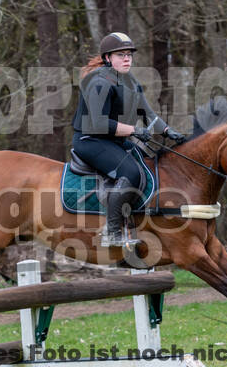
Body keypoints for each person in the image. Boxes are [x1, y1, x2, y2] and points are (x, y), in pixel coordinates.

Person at [71, 32, 185, 247]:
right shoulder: (98, 82)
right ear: (107, 58)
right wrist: (134, 130)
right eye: (121, 55)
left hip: (113, 140)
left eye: (129, 55)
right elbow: (98, 123)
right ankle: (112, 232)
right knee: (130, 172)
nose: (127, 59)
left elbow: (148, 113)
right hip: (90, 140)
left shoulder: (130, 80)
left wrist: (169, 131)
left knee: (147, 162)